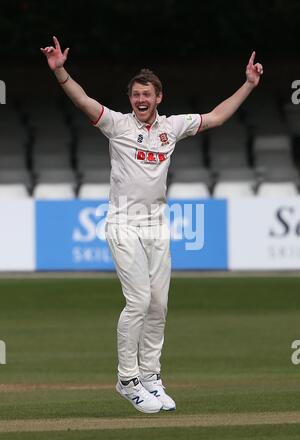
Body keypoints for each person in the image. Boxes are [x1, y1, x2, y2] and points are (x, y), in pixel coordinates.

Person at [41, 37, 263, 414]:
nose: (140, 99)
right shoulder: (117, 125)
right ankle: (127, 379)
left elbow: (218, 117)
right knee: (139, 300)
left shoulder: (171, 128)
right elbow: (82, 100)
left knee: (159, 304)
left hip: (157, 224)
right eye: (135, 94)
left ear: (159, 97)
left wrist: (248, 85)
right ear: (130, 99)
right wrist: (61, 70)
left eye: (147, 94)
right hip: (123, 222)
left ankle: (150, 376)